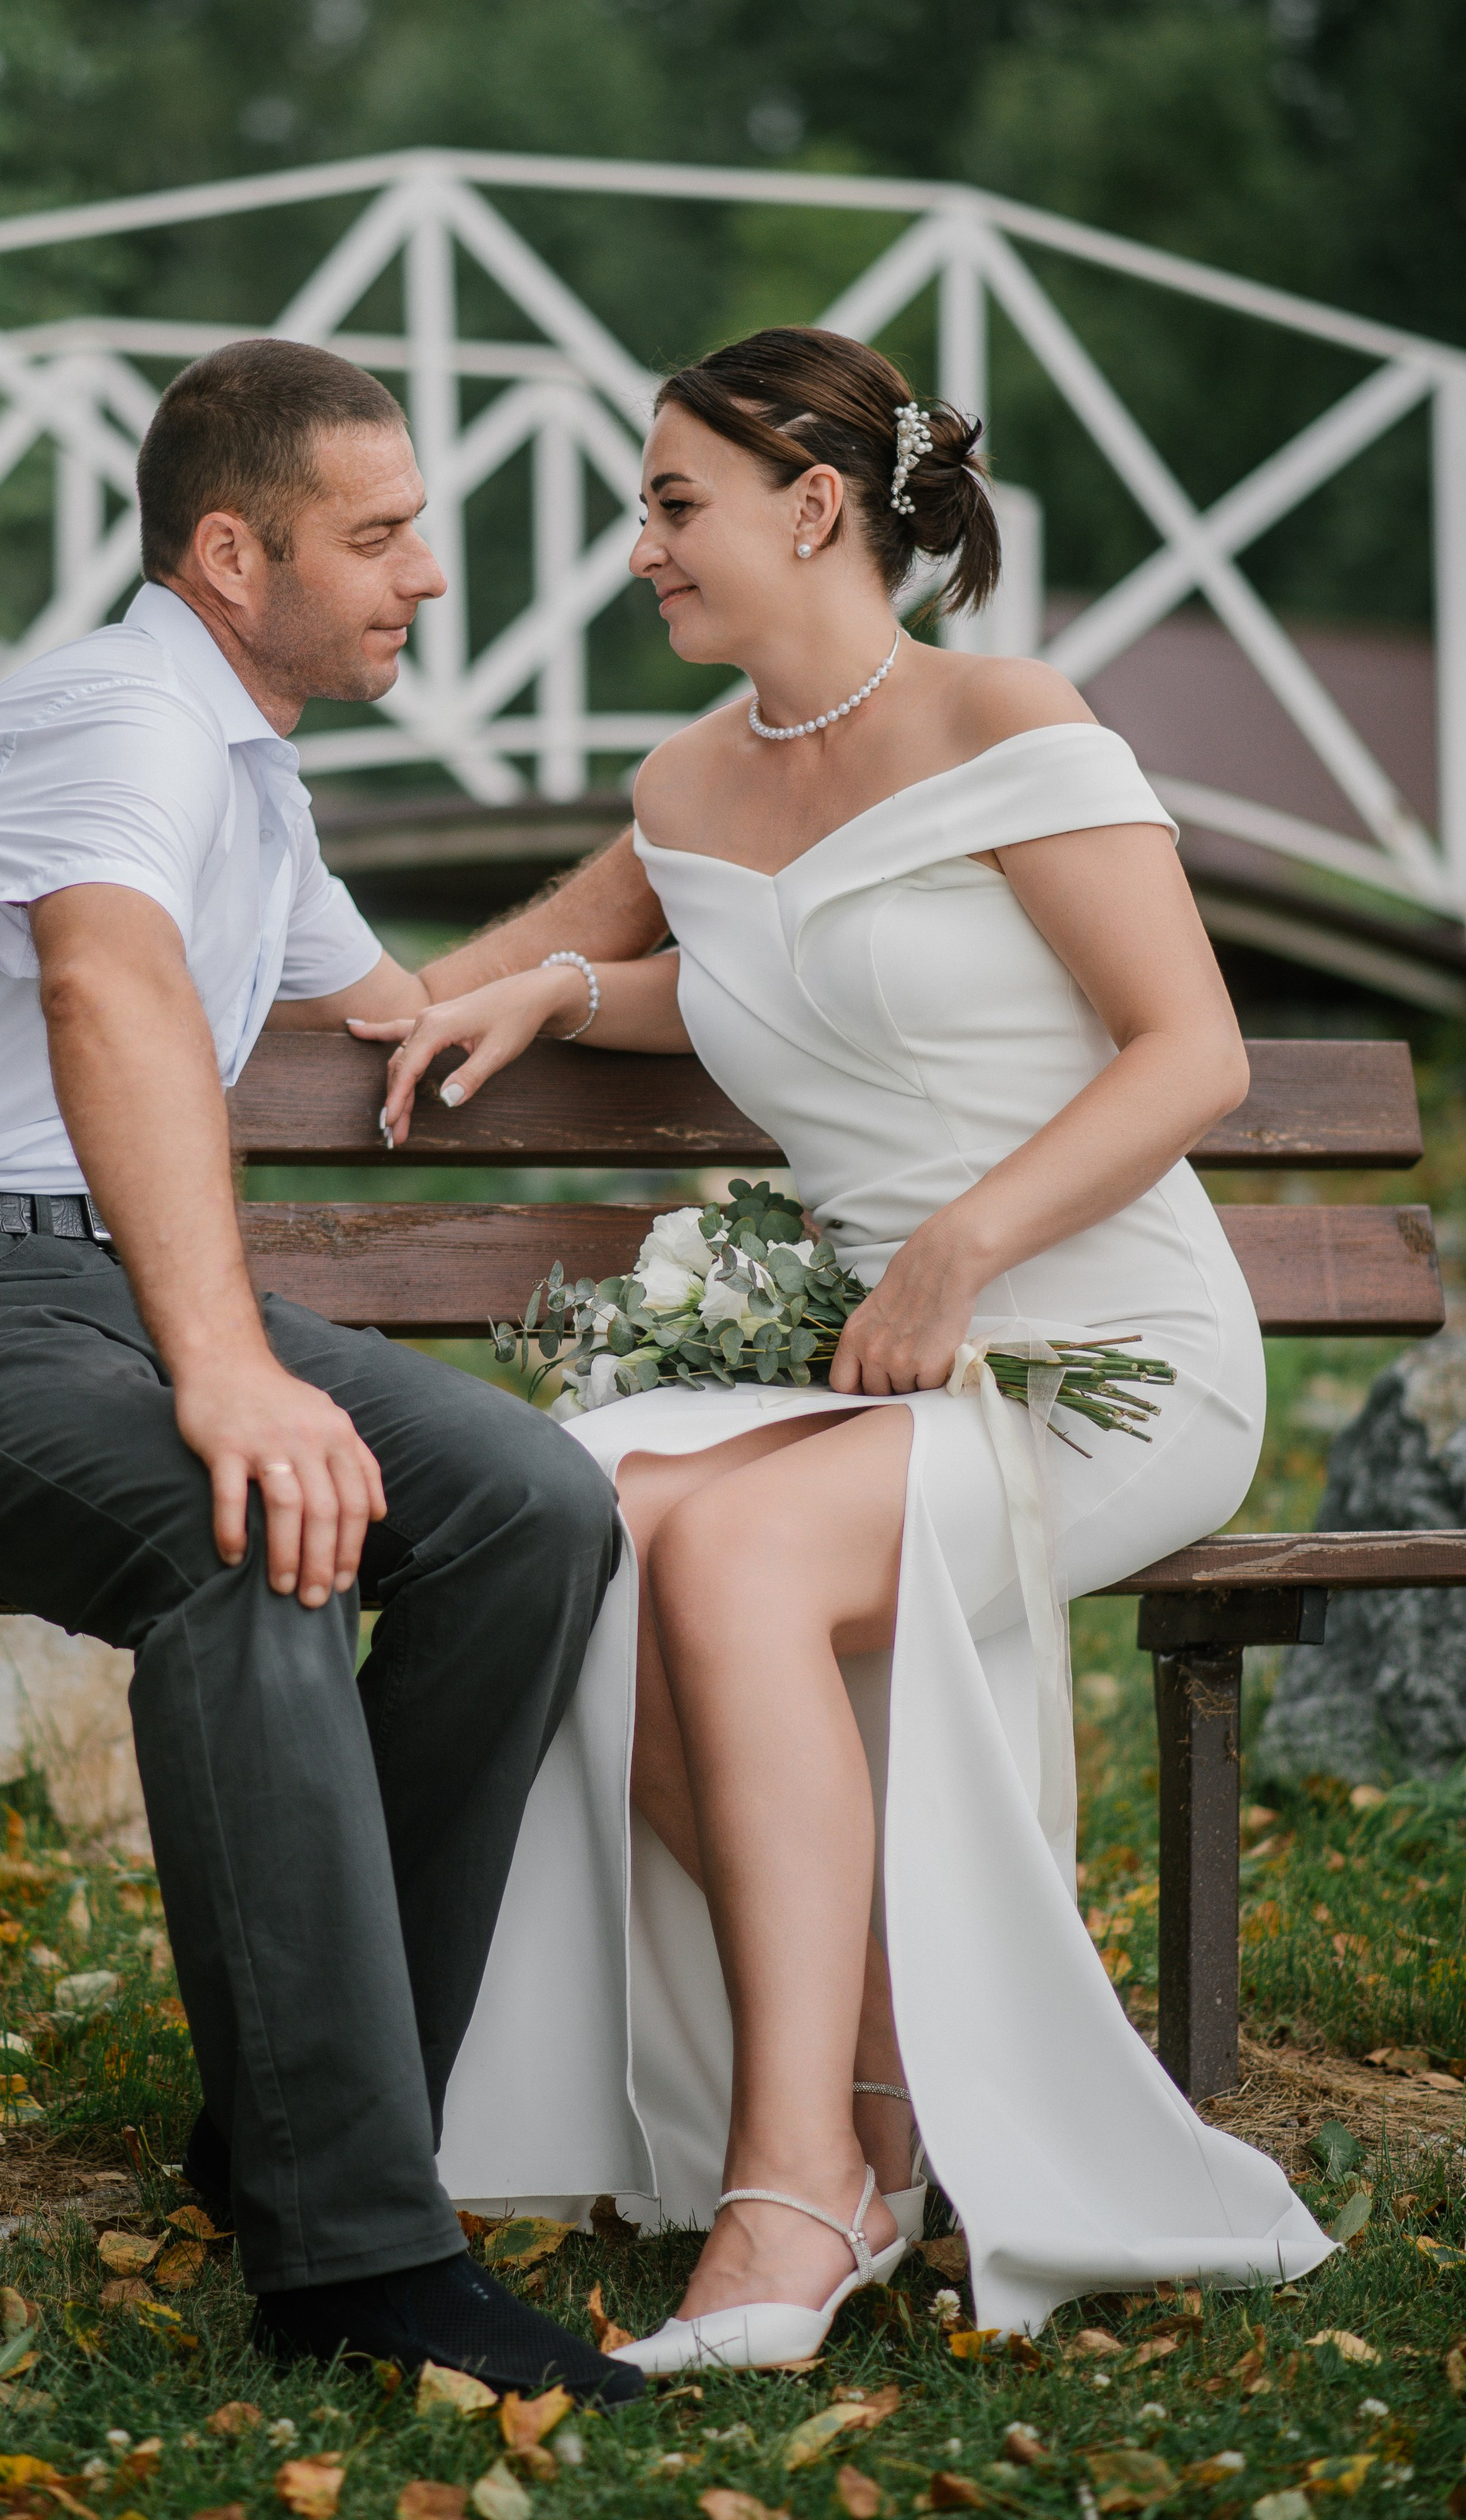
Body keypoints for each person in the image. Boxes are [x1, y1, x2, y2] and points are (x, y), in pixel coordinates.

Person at [366, 324, 1337, 2369]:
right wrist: (550, 981)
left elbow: (1198, 1054)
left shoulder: (1010, 722)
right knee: (586, 1520)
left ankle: (791, 2181)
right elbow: (699, 965)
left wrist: (963, 1248)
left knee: (723, 1553)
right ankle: (897, 2099)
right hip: (886, 1361)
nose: (642, 549)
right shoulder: (690, 781)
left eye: (672, 503)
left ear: (817, 506)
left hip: (1100, 1350)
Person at [0, 336, 649, 2403]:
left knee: (532, 1506)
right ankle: (358, 2255)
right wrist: (232, 1364)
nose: (424, 572)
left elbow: (405, 1007)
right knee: (256, 1523)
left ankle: (295, 2127)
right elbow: (108, 982)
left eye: (418, 526)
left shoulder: (247, 773)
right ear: (229, 553)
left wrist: (673, 888)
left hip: (78, 1301)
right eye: (381, 534)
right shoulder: (109, 717)